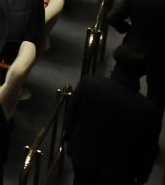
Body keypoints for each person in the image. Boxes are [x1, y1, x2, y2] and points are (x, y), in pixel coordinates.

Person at [64, 43, 160, 184]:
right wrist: (142, 177)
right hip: (120, 173)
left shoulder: (88, 84)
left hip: (83, 160)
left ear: (115, 64)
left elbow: (71, 117)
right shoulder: (148, 110)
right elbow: (147, 150)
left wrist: (68, 141)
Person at [109, 0, 165, 107]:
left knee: (120, 93)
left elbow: (113, 17)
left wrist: (129, 29)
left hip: (132, 50)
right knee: (156, 102)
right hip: (162, 59)